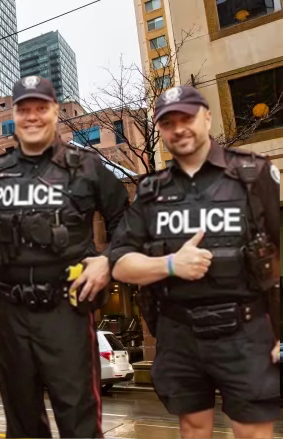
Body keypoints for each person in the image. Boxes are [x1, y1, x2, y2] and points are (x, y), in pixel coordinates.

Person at [110, 85, 280, 439]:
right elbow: (120, 263)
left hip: (245, 330)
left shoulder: (253, 174)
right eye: (168, 122)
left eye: (186, 117)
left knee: (252, 431)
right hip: (179, 332)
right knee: (193, 429)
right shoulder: (151, 191)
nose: (179, 128)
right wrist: (170, 264)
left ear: (206, 117)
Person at [0, 76, 130, 438]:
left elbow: (126, 219)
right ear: (14, 114)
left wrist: (109, 261)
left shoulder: (86, 167)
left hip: (68, 312)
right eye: (24, 109)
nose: (33, 116)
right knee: (22, 424)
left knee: (79, 422)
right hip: (12, 315)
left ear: (56, 111)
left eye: (41, 107)